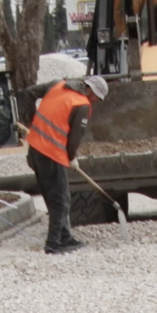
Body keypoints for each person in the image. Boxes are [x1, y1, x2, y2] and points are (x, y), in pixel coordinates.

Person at [23, 75, 109, 254]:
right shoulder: (82, 105)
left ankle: (64, 236)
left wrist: (32, 121)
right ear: (90, 90)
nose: (96, 101)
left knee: (54, 195)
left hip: (34, 149)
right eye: (97, 97)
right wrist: (71, 156)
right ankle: (54, 243)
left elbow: (29, 93)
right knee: (61, 200)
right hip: (51, 153)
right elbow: (75, 137)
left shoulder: (57, 85)